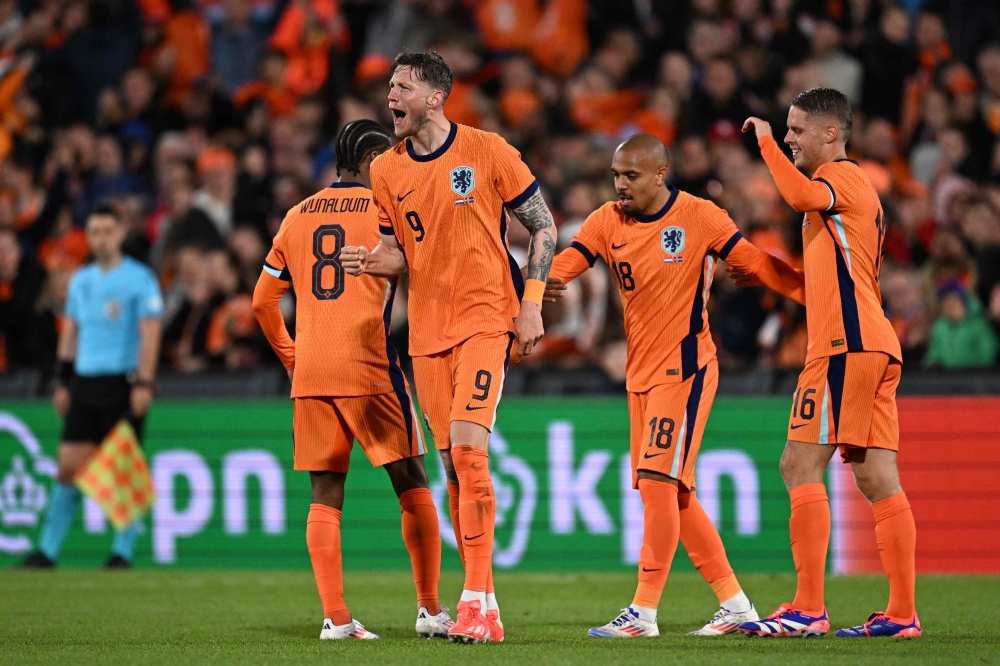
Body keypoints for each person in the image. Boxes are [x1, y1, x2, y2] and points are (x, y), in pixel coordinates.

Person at [544, 134, 804, 638]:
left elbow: (751, 260)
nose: (620, 185)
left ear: (660, 174)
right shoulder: (606, 221)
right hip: (639, 374)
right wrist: (529, 294)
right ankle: (735, 605)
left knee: (659, 484)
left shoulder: (700, 215)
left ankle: (642, 612)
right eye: (616, 175)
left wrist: (812, 292)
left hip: (685, 369)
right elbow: (566, 265)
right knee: (672, 493)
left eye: (631, 176)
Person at [340, 50, 557, 644]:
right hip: (426, 335)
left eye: (402, 87)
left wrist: (531, 301)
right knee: (453, 475)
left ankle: (473, 605)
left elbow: (543, 225)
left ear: (435, 96)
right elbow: (399, 254)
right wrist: (371, 262)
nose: (391, 97)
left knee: (469, 456)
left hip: (486, 321)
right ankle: (483, 605)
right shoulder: (385, 170)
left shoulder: (488, 151)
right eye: (389, 87)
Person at [252, 119, 451, 642]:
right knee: (412, 483)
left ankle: (336, 619)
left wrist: (293, 356)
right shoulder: (388, 211)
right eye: (388, 158)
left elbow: (262, 301)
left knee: (325, 494)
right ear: (368, 162)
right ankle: (430, 610)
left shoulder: (296, 216)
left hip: (312, 372)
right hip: (369, 365)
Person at [739, 88, 920, 638]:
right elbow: (817, 288)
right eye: (785, 129)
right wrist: (762, 269)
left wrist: (766, 143)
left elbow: (794, 195)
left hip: (845, 347)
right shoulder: (842, 194)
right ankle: (902, 614)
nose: (789, 136)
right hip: (869, 341)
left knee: (798, 466)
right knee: (877, 477)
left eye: (796, 129)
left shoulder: (839, 179)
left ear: (830, 134)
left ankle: (808, 609)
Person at [22, 204, 163, 569]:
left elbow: (150, 334)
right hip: (85, 381)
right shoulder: (81, 280)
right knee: (68, 466)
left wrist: (145, 381)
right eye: (95, 230)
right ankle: (48, 552)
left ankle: (122, 552)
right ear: (88, 235)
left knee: (121, 468)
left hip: (122, 381)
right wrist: (64, 381)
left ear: (120, 234)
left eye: (107, 230)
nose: (101, 237)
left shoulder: (139, 278)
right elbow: (70, 333)